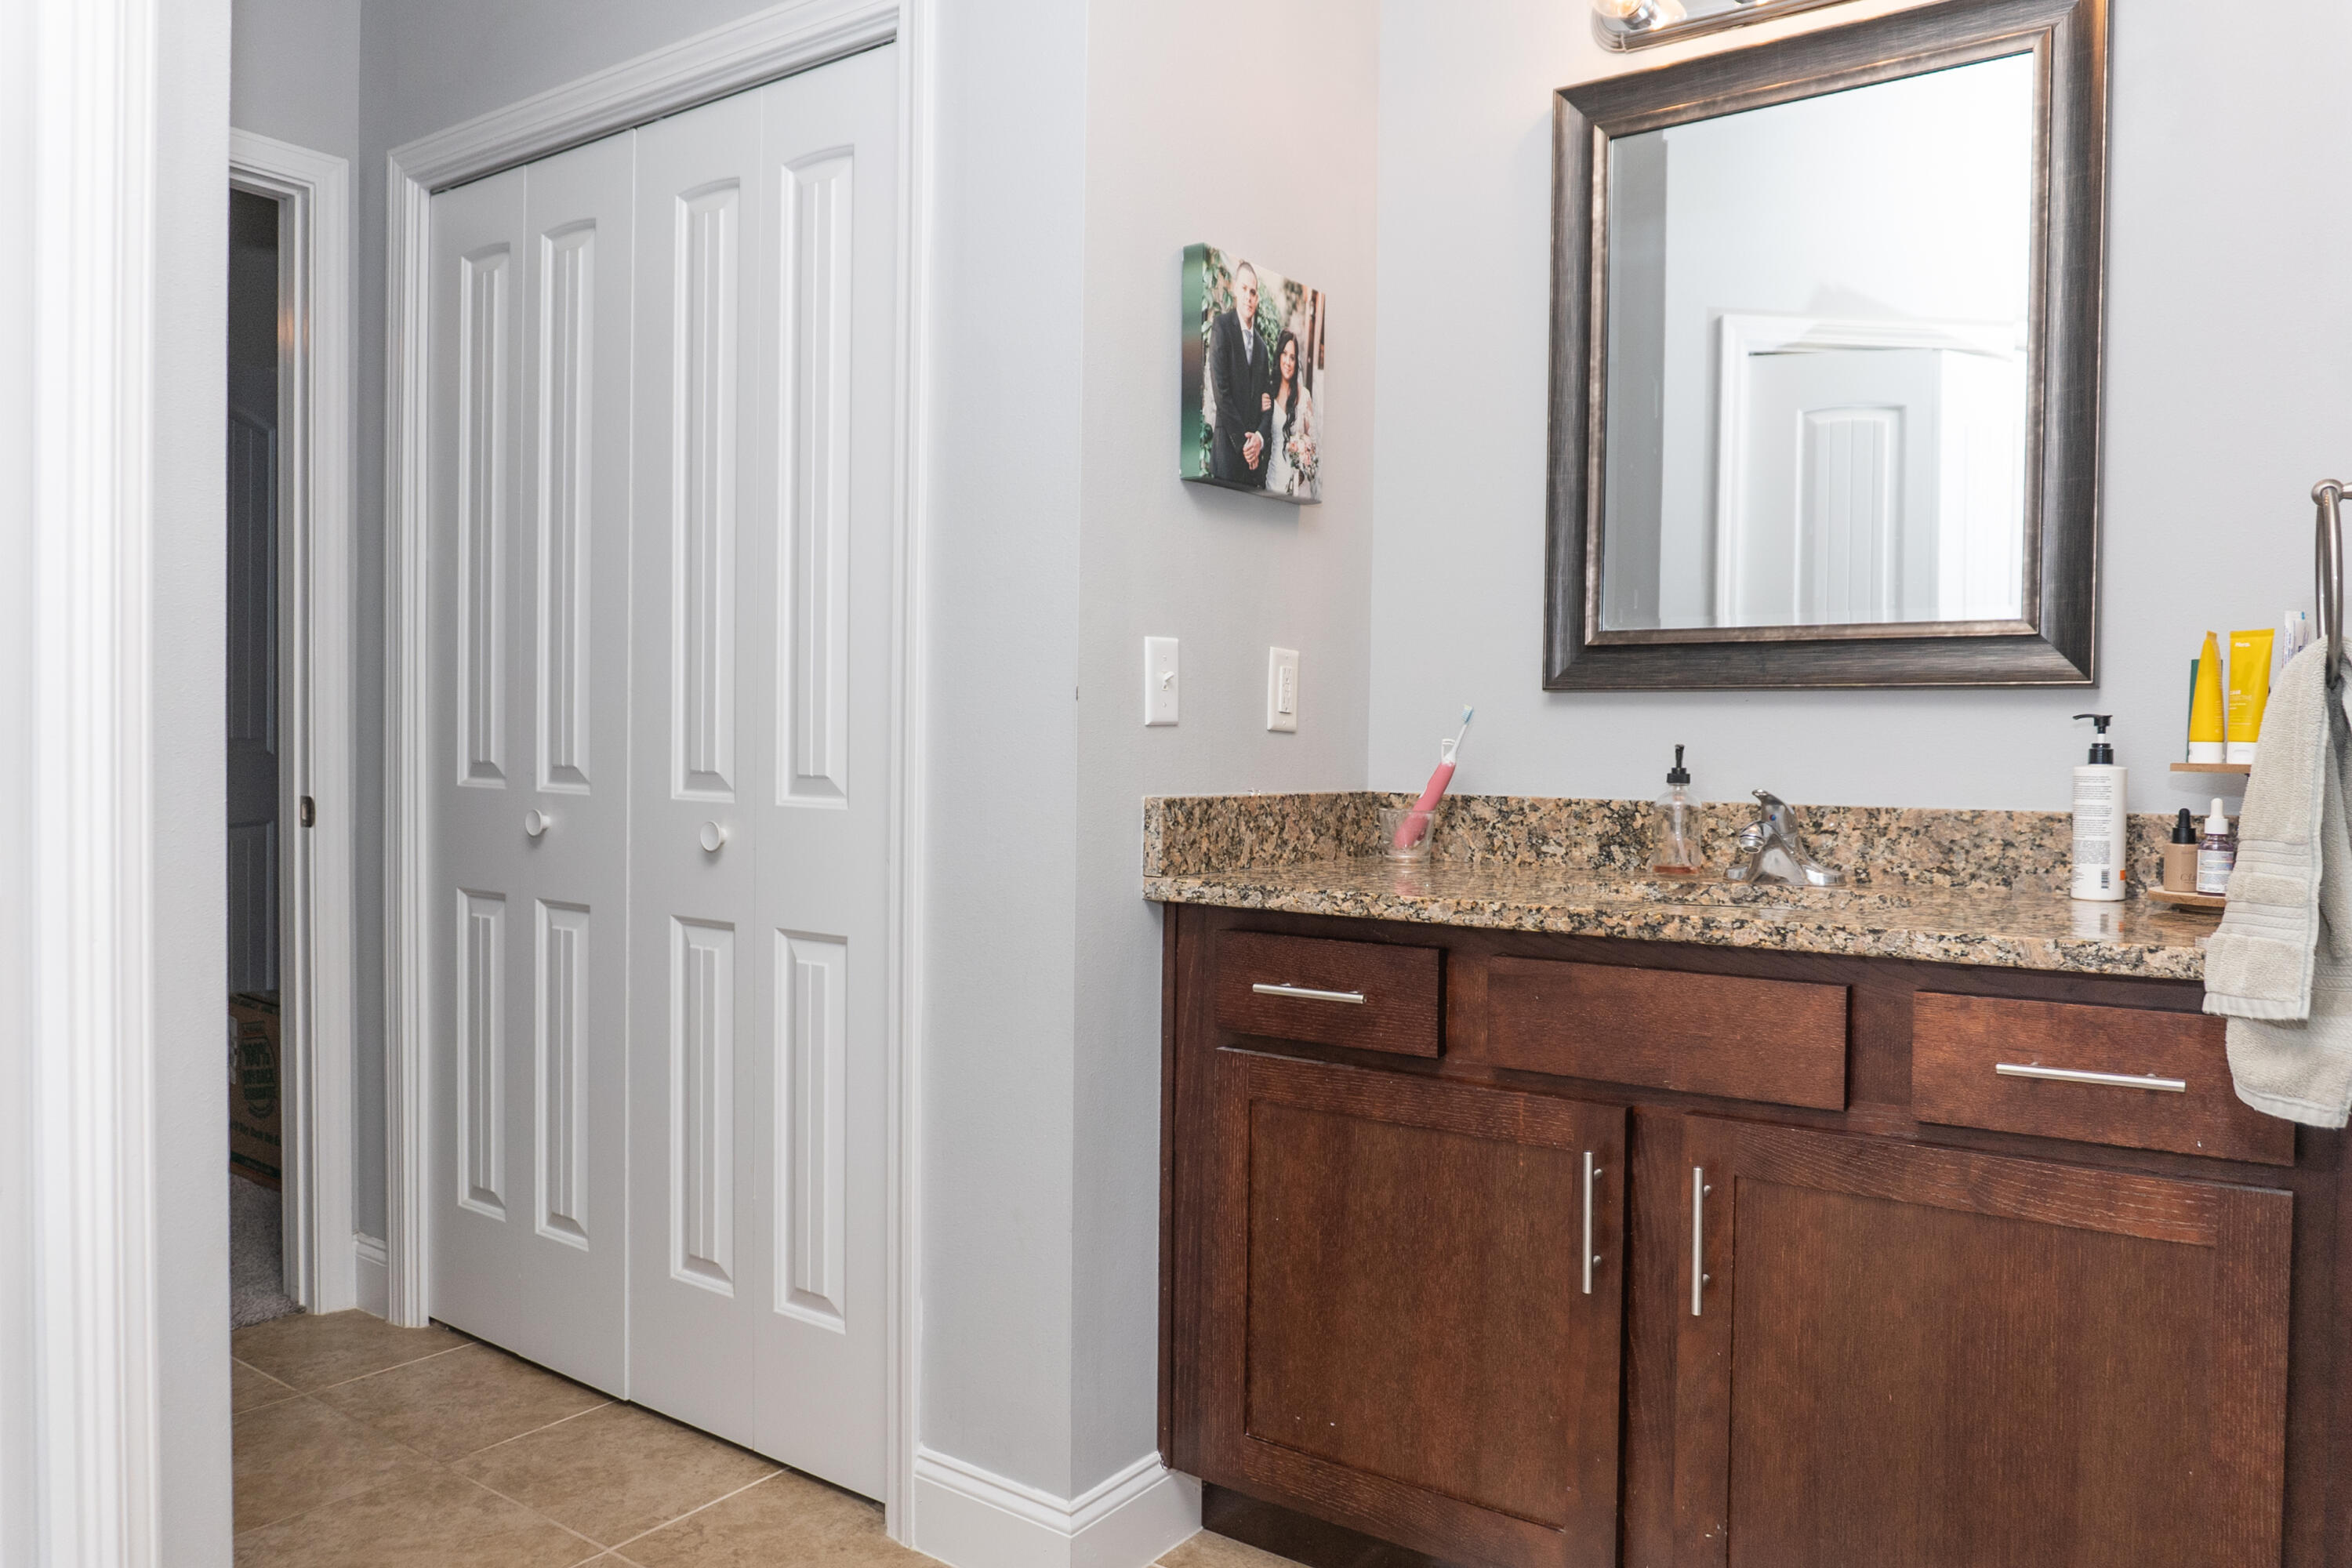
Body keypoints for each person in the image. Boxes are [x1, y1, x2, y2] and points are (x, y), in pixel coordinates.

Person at [1207, 260, 1274, 487]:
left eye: (1253, 292)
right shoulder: (1221, 327)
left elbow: (1268, 404)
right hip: (1227, 453)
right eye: (1244, 289)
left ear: (1257, 298)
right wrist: (1245, 445)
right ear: (1235, 289)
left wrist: (1259, 439)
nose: (1248, 297)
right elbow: (1221, 393)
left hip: (1251, 467)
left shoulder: (1263, 349)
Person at [1265, 329, 1318, 499]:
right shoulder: (1268, 393)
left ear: (1296, 362)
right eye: (1285, 354)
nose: (1288, 362)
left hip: (1298, 484)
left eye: (1292, 357)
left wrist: (1303, 467)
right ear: (1279, 356)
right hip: (1273, 479)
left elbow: (1313, 442)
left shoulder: (1304, 396)